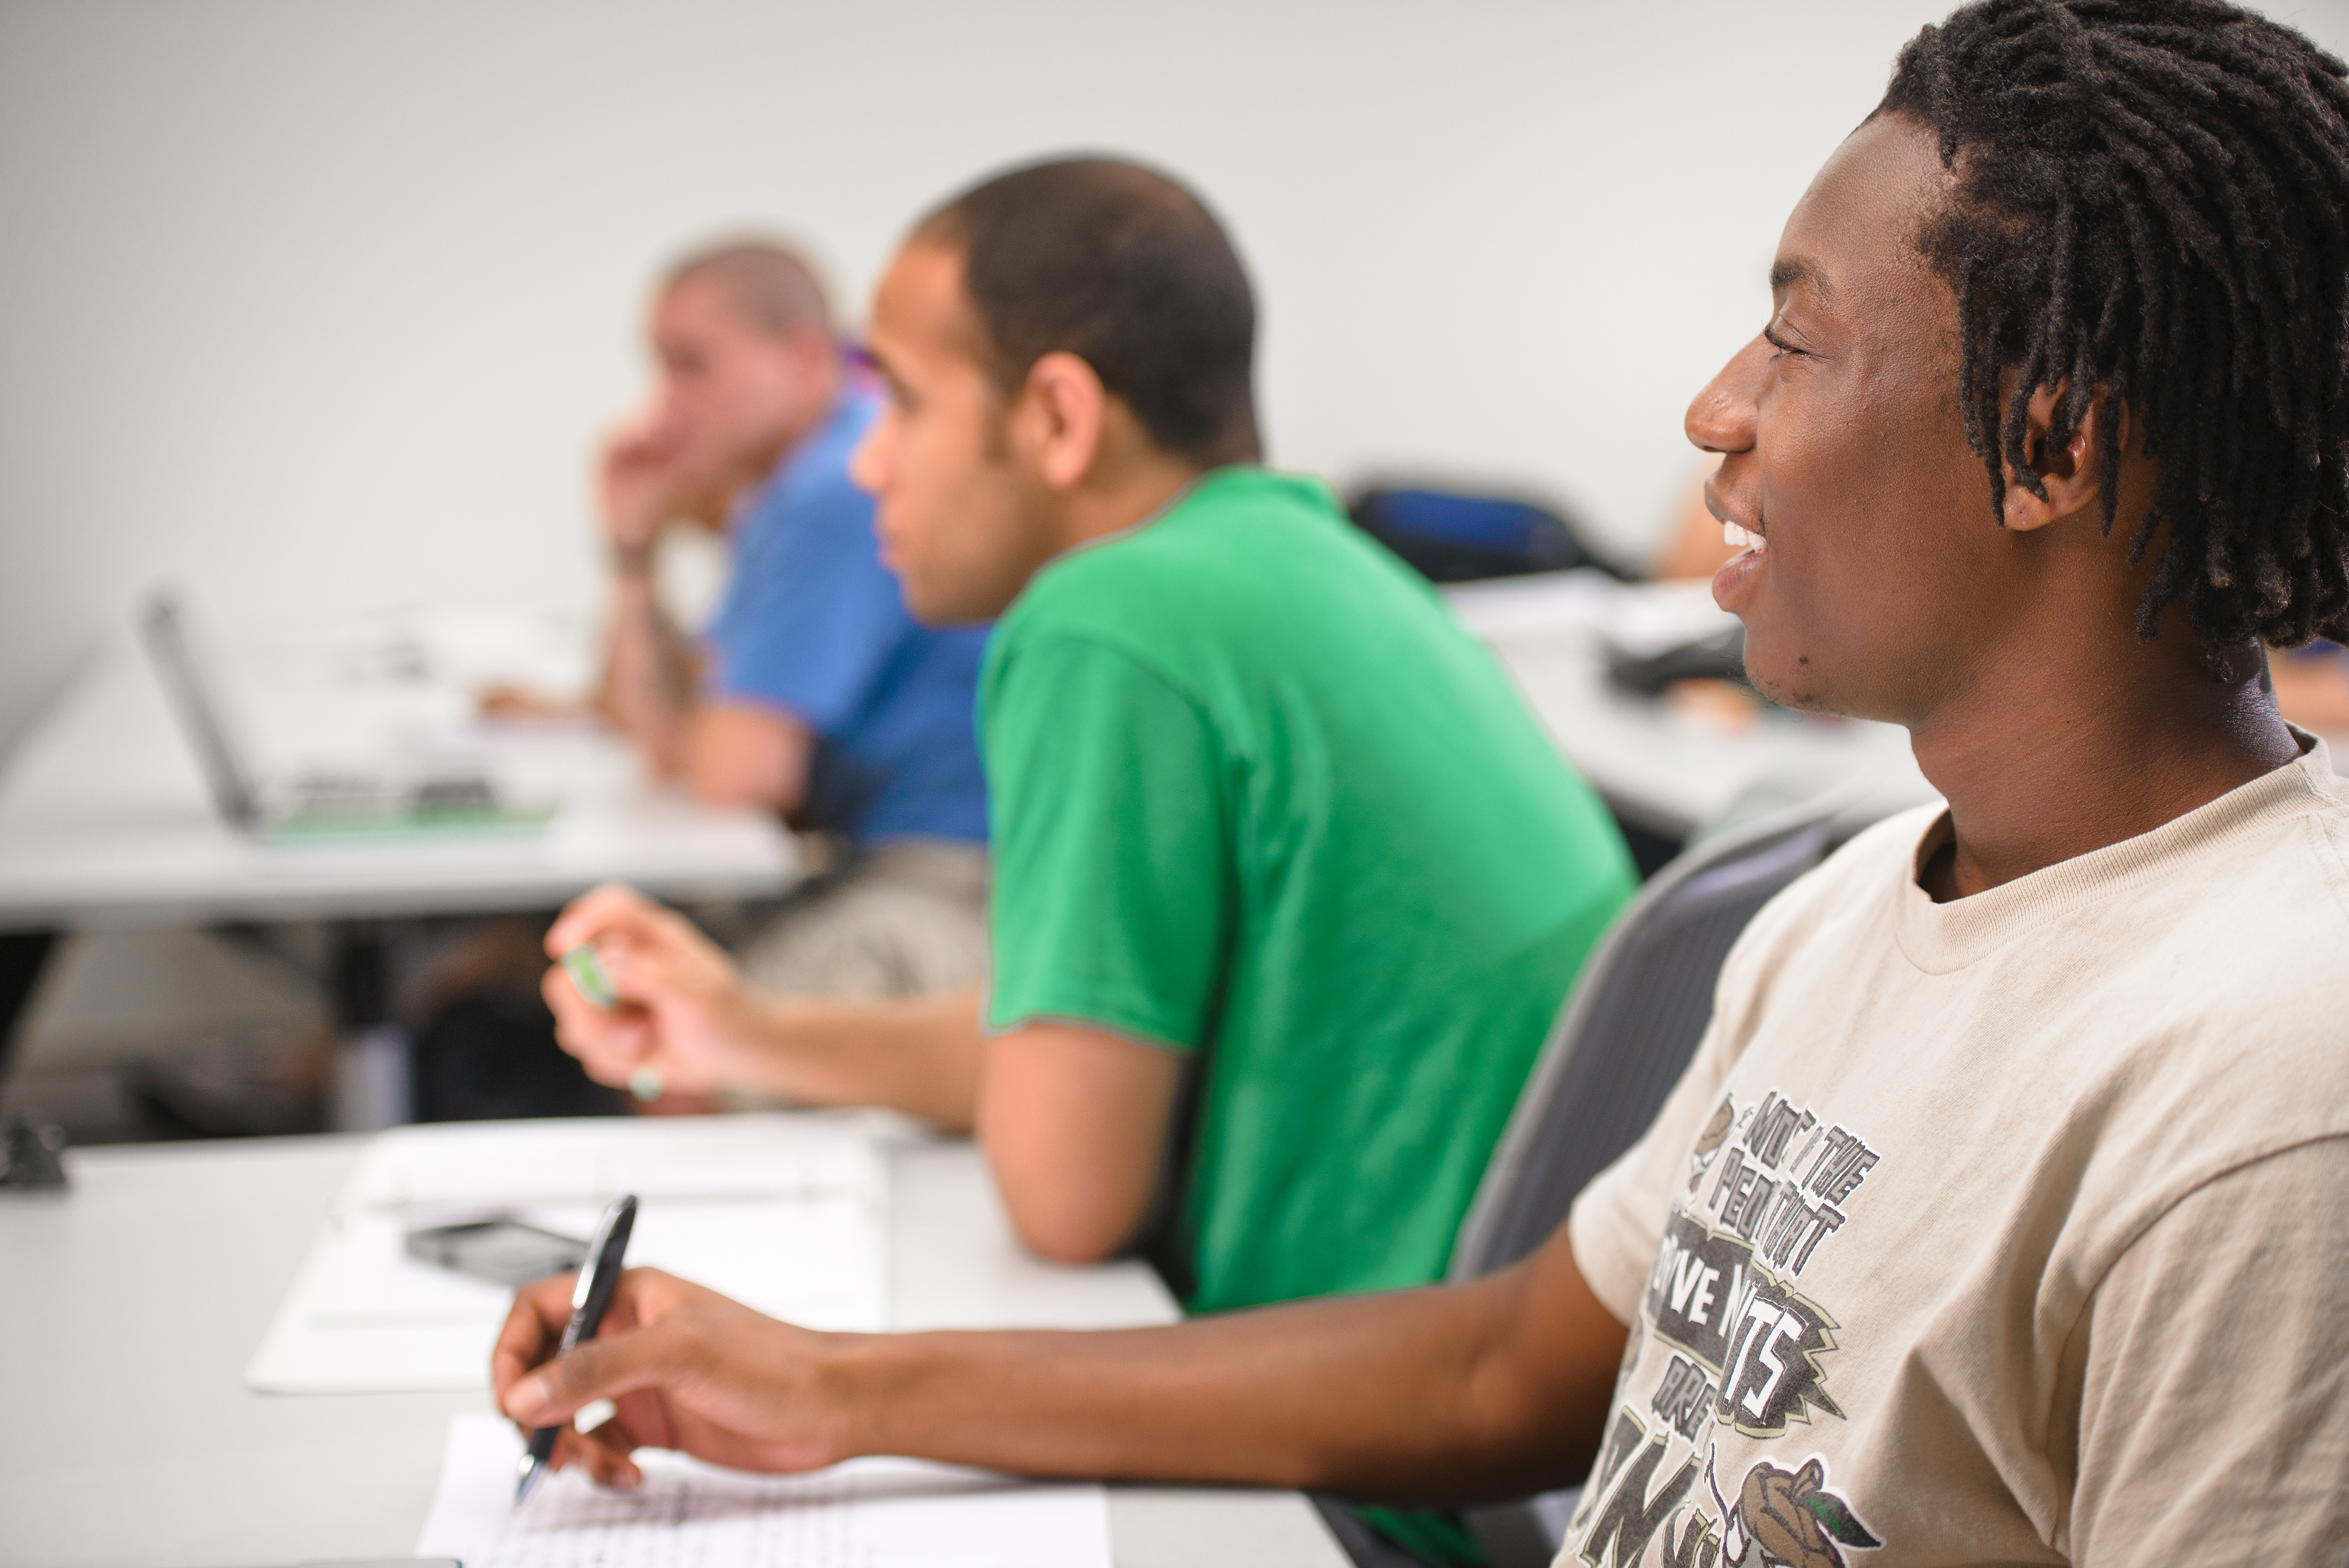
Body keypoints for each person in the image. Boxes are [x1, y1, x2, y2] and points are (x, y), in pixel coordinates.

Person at [492, 4, 2349, 1563]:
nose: (1714, 407)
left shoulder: (2271, 1090)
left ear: (2050, 439)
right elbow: (1495, 1373)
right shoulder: (1855, 906)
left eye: (1792, 332)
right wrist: (826, 1384)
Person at [537, 156, 1637, 1463]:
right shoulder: (1311, 563)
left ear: (1057, 417)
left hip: (1331, 1473)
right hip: (1471, 1433)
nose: (870, 461)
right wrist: (747, 1031)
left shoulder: (1103, 619)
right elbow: (1069, 1052)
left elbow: (1066, 1193)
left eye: (899, 397)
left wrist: (827, 1384)